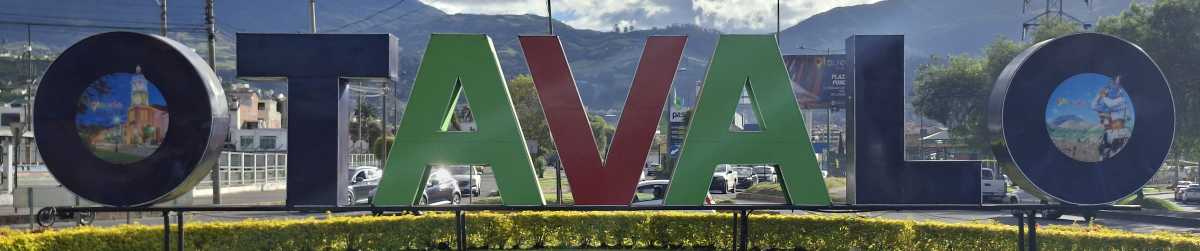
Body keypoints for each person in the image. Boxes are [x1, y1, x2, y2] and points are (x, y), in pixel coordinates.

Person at [1091, 76, 1131, 159]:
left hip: (1120, 135)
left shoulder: (1122, 100)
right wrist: (1099, 95)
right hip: (1108, 133)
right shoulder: (1107, 103)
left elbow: (1111, 103)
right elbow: (1093, 106)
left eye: (1117, 84)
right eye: (1113, 83)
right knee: (1102, 156)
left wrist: (1104, 96)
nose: (1113, 86)